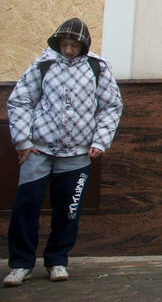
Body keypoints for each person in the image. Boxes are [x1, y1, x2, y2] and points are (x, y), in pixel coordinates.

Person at [4, 18, 123, 287]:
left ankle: (57, 260)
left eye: (74, 45)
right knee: (25, 207)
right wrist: (23, 140)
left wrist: (101, 141)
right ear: (57, 43)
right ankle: (21, 264)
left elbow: (111, 106)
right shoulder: (43, 65)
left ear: (84, 46)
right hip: (39, 150)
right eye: (64, 44)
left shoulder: (97, 68)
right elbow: (20, 100)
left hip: (78, 154)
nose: (68, 50)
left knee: (69, 210)